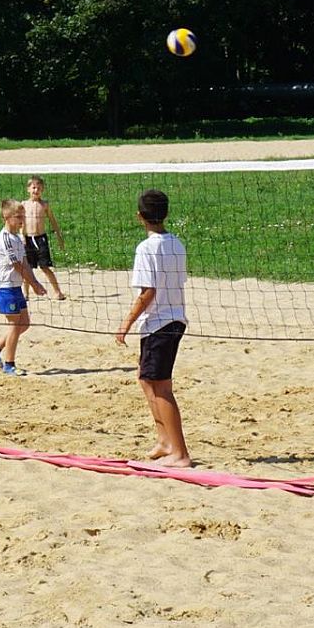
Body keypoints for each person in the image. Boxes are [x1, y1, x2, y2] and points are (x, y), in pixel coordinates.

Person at [114, 190, 191, 466]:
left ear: (139, 217)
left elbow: (148, 292)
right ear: (165, 214)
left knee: (161, 387)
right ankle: (164, 441)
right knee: (146, 379)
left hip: (161, 322)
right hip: (172, 319)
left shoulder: (146, 248)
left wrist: (125, 323)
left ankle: (180, 453)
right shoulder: (177, 243)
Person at [0, 199, 45, 375]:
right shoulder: (5, 239)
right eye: (18, 216)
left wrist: (35, 281)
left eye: (23, 216)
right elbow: (17, 266)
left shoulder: (17, 237)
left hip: (15, 287)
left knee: (24, 323)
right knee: (14, 325)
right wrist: (33, 284)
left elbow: (25, 262)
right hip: (6, 288)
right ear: (6, 216)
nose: (22, 220)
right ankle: (9, 364)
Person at [22, 176, 67, 300]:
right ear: (28, 189)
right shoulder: (24, 204)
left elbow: (53, 220)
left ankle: (58, 292)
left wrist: (59, 236)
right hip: (28, 239)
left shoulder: (44, 204)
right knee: (27, 267)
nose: (36, 190)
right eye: (34, 188)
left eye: (39, 188)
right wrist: (21, 235)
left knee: (45, 267)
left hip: (41, 239)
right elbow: (21, 222)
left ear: (43, 190)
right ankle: (25, 293)